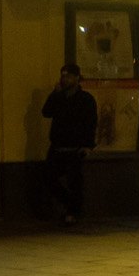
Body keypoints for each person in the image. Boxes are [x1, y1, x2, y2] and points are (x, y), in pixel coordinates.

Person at [40, 64, 97, 226]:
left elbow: (91, 123)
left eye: (69, 76)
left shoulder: (86, 99)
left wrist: (87, 145)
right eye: (63, 76)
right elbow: (46, 112)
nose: (65, 79)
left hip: (75, 148)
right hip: (57, 147)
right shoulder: (59, 97)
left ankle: (73, 213)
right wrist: (54, 94)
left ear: (77, 78)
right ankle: (71, 204)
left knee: (75, 183)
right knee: (49, 178)